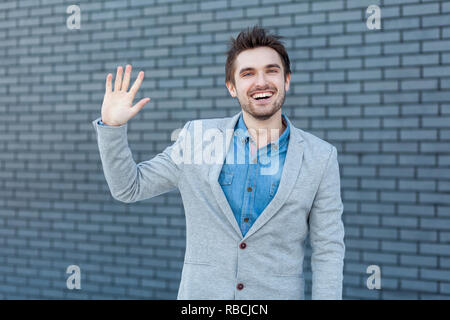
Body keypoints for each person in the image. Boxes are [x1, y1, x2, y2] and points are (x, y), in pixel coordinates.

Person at [92, 25, 345, 300]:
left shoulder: (321, 156)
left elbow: (328, 248)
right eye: (247, 73)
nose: (261, 82)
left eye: (271, 70)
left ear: (286, 80)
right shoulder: (195, 139)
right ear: (232, 88)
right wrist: (112, 128)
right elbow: (129, 188)